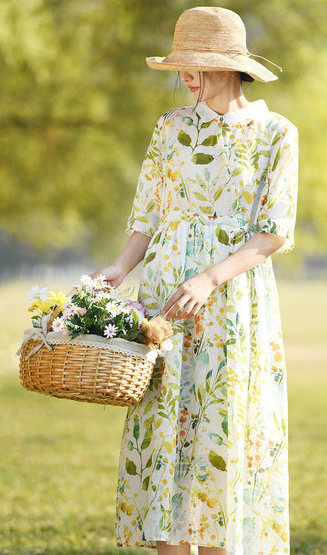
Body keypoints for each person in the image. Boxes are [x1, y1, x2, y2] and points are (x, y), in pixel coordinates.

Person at [94, 6, 298, 555]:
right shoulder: (170, 129)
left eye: (198, 64)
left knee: (220, 428)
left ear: (231, 66)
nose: (187, 75)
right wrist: (118, 268)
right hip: (165, 296)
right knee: (167, 426)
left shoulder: (276, 133)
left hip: (232, 300)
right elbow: (146, 219)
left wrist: (210, 278)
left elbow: (273, 231)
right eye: (181, 64)